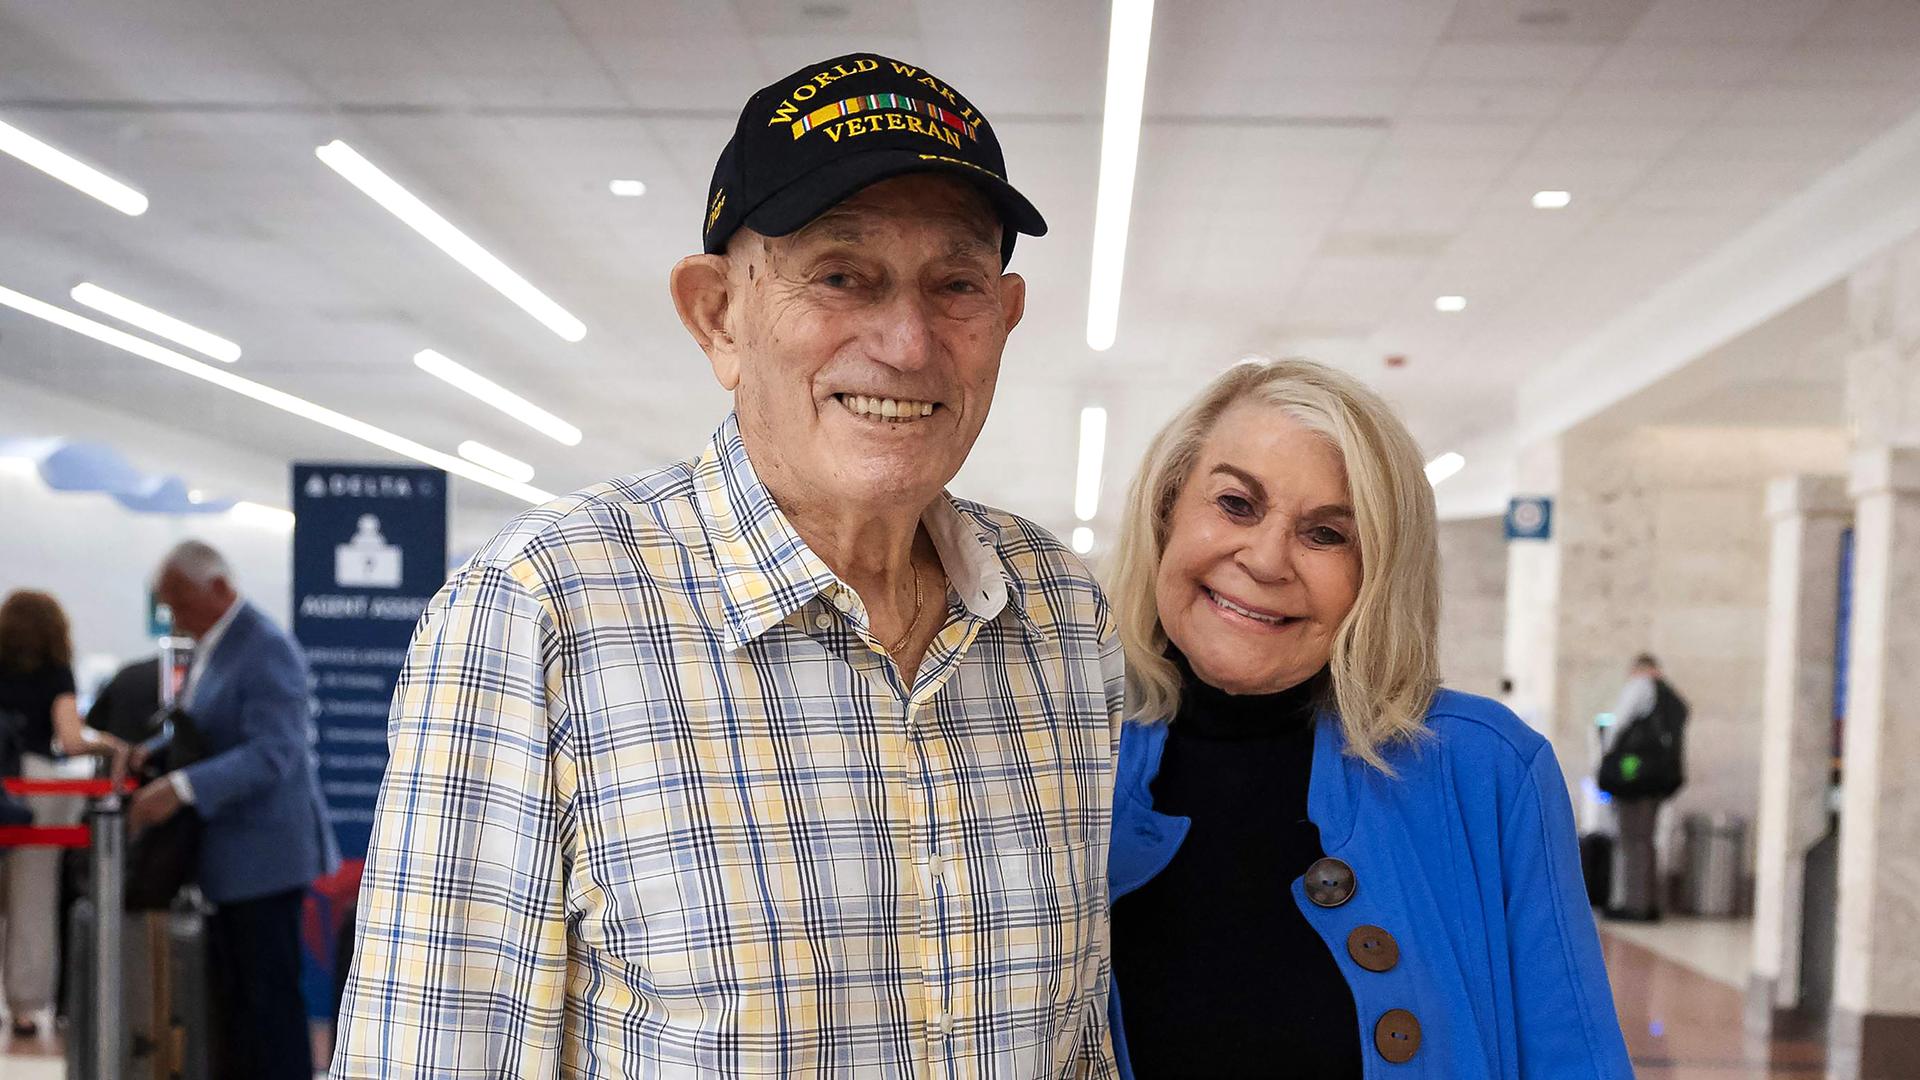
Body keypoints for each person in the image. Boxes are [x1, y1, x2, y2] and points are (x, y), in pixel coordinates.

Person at [335, 53, 1122, 1077]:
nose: (907, 341)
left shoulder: (1059, 614)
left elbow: (1078, 1046)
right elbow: (434, 1053)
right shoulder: (541, 612)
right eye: (841, 275)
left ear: (1004, 318)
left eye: (957, 285)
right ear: (717, 314)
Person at [1105, 360, 1633, 1078]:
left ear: (1377, 575)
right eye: (1235, 504)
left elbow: (1573, 1057)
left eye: (1326, 534)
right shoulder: (1064, 753)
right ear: (1166, 513)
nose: (1266, 560)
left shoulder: (1486, 769)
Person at [131, 541, 339, 1080]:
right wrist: (150, 754)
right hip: (229, 862)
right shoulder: (214, 645)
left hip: (265, 861)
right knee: (239, 1009)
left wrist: (181, 787)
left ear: (219, 587)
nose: (175, 618)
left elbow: (275, 752)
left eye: (180, 603)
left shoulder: (265, 647)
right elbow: (205, 728)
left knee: (269, 1007)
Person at [0, 589, 129, 1037]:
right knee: (33, 897)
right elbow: (71, 740)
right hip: (36, 785)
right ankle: (25, 1008)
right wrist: (112, 746)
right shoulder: (56, 672)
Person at [1599, 653, 1688, 923]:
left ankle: (1631, 904)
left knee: (1630, 840)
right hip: (1657, 777)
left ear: (1639, 668)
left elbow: (1618, 724)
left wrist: (1606, 756)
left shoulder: (1640, 687)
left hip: (1634, 775)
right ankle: (1648, 902)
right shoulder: (1669, 695)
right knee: (1646, 841)